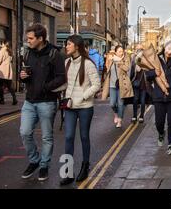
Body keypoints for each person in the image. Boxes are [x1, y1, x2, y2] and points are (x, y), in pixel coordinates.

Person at [19, 23, 66, 182]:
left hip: (47, 102)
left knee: (47, 137)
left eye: (31, 38)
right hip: (29, 101)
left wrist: (45, 87)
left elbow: (61, 77)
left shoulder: (54, 54)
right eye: (28, 38)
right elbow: (24, 73)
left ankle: (44, 165)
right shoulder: (27, 53)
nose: (28, 41)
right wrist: (22, 76)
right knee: (25, 132)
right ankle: (34, 160)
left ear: (40, 38)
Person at [60, 35, 101, 186]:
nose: (66, 46)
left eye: (69, 44)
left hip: (85, 107)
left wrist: (82, 97)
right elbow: (66, 85)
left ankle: (85, 166)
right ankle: (68, 172)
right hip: (70, 107)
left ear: (77, 46)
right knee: (69, 137)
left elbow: (96, 85)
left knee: (84, 137)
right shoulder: (67, 63)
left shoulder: (88, 64)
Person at [145, 40, 171, 155]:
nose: (169, 52)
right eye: (168, 49)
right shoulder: (156, 59)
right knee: (159, 122)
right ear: (164, 48)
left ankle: (170, 144)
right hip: (159, 97)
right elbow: (148, 76)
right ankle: (161, 133)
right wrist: (154, 73)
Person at [102, 45, 134, 128]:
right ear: (115, 52)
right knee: (112, 103)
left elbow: (127, 68)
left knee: (120, 103)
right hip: (112, 85)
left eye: (122, 51)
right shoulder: (111, 59)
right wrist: (109, 61)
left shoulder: (125, 59)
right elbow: (108, 69)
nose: (121, 52)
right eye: (119, 51)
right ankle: (116, 113)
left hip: (122, 85)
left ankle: (119, 120)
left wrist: (119, 61)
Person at [130, 45, 152, 124]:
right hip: (136, 83)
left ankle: (142, 116)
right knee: (135, 100)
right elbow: (131, 71)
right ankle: (134, 115)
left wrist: (144, 67)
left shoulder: (146, 60)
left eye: (141, 50)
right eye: (138, 50)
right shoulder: (134, 60)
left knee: (143, 101)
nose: (139, 51)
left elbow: (150, 69)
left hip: (144, 83)